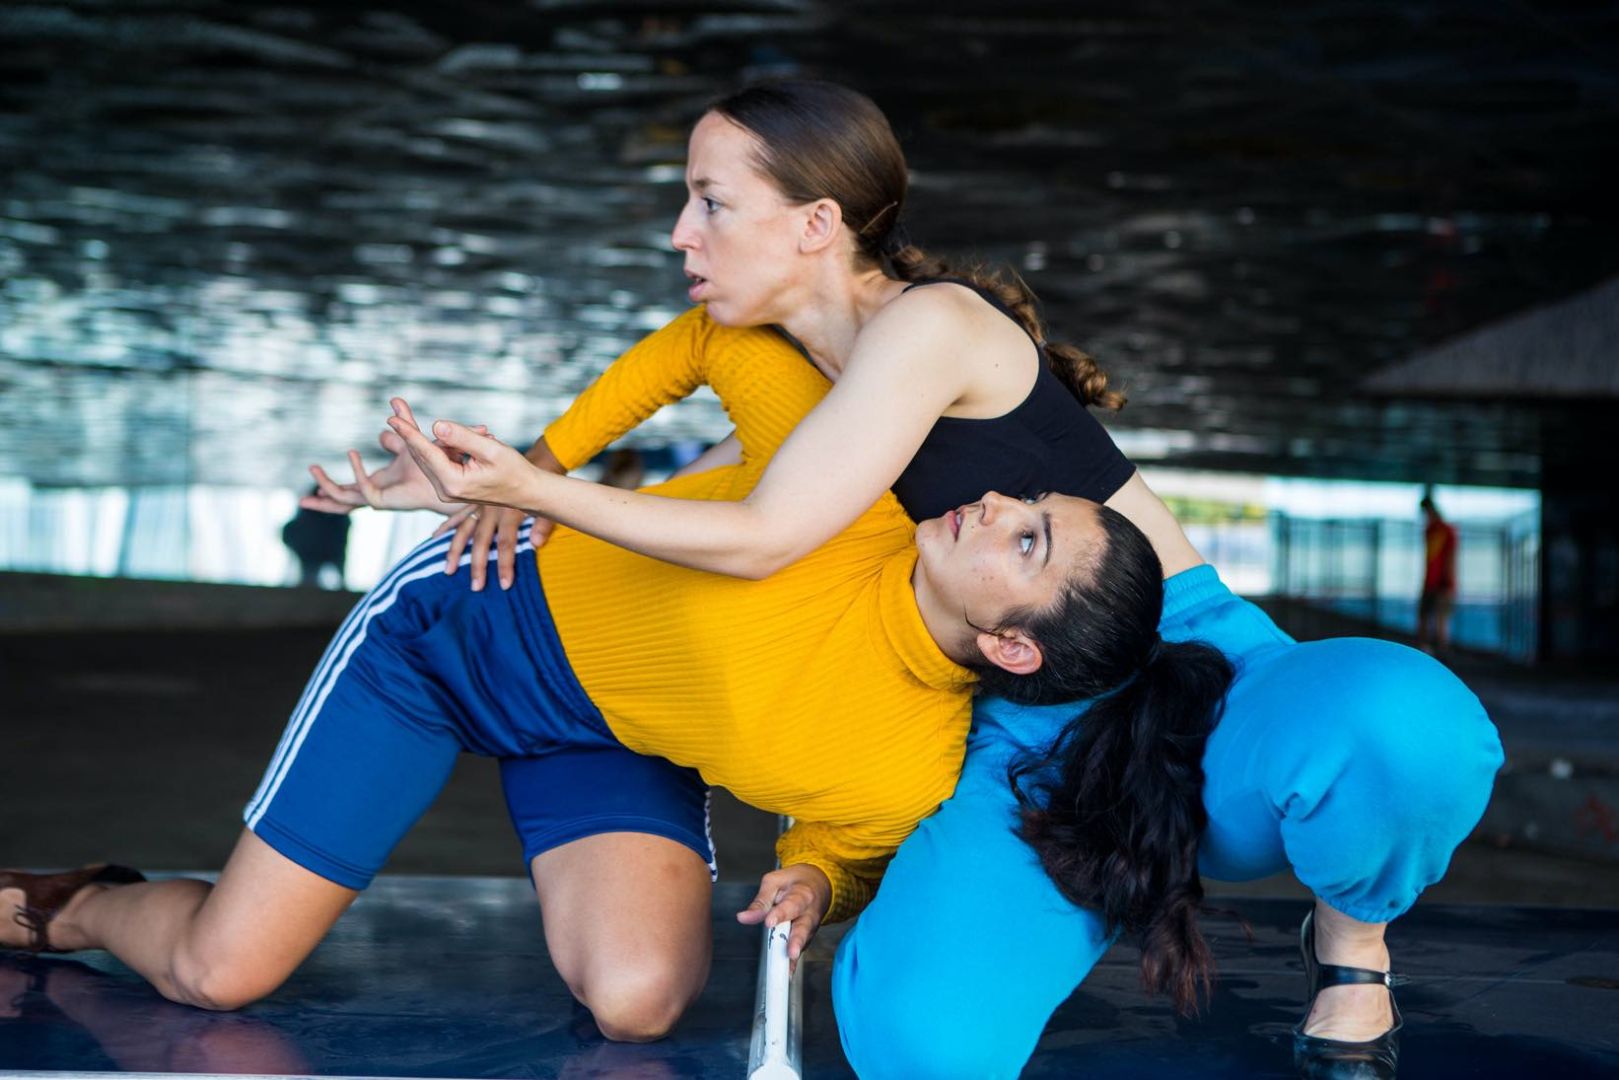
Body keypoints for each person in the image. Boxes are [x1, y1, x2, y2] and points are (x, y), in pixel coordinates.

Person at [302, 80, 1501, 1076]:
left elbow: (770, 533)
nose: (679, 232)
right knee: (918, 1041)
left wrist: (527, 483)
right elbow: (719, 521)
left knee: (1394, 727)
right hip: (1004, 722)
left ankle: (1353, 939)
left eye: (708, 201)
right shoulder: (795, 385)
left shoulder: (932, 323)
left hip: (1180, 656)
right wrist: (474, 496)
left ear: (814, 223)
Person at [0, 337, 1223, 1054]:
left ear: (1015, 653)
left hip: (600, 735)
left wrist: (813, 881)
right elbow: (713, 340)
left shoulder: (904, 762)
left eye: (1025, 546)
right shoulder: (853, 481)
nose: (998, 507)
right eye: (1032, 505)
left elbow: (841, 841)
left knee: (639, 1004)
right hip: (455, 639)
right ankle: (75, 904)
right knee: (220, 976)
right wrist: (542, 468)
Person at [1417, 491, 1458, 655]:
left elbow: (1449, 558)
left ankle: (1440, 653)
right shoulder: (1432, 530)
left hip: (1441, 584)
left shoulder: (1443, 531)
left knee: (1438, 620)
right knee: (1431, 619)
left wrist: (1446, 582)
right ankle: (1436, 652)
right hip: (1433, 583)